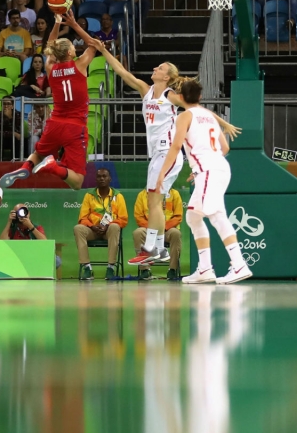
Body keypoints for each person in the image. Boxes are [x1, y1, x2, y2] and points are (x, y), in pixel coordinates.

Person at [94, 44, 239, 265]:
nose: (155, 68)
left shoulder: (171, 96)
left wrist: (223, 123)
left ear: (167, 76)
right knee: (155, 201)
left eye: (159, 67)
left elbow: (197, 109)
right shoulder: (146, 90)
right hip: (157, 155)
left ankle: (152, 248)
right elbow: (122, 72)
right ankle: (159, 249)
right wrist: (103, 51)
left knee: (154, 200)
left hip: (168, 152)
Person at [156, 79, 250, 284]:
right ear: (200, 97)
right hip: (216, 168)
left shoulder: (184, 116)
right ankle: (205, 268)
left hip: (209, 170)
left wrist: (162, 172)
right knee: (193, 217)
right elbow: (225, 148)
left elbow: (175, 148)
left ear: (180, 97)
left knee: (216, 215)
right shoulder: (209, 116)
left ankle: (239, 264)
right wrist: (201, 167)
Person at [0, 15, 99, 191]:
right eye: (73, 47)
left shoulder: (51, 68)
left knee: (38, 153)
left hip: (54, 123)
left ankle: (24, 168)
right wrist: (75, 25)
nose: (75, 48)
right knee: (77, 182)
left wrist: (57, 23)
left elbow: (48, 46)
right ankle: (53, 166)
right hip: (75, 128)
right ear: (69, 52)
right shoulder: (80, 65)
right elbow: (93, 44)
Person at [73, 168, 129, 280]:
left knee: (115, 226)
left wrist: (107, 225)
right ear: (96, 179)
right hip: (93, 230)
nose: (102, 178)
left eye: (104, 176)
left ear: (110, 179)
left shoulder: (118, 196)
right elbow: (82, 218)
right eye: (99, 176)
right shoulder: (89, 195)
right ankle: (87, 268)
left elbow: (123, 219)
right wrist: (92, 226)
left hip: (109, 231)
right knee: (78, 228)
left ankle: (110, 268)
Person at [131, 188, 183, 281]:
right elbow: (139, 217)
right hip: (149, 229)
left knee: (176, 233)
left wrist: (163, 227)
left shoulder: (174, 194)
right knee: (138, 233)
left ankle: (172, 269)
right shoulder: (142, 195)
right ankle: (145, 270)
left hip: (167, 229)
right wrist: (152, 227)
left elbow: (178, 216)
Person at [0, 97, 23, 161]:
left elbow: (18, 131)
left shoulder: (18, 114)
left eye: (8, 104)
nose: (6, 106)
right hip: (3, 138)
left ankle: (16, 162)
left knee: (17, 141)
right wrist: (13, 133)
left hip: (13, 139)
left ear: (12, 106)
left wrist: (9, 118)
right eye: (4, 104)